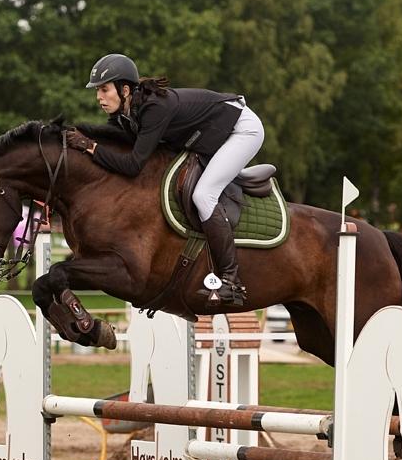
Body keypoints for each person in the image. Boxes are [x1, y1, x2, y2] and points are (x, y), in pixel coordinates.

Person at [67, 53, 265, 306]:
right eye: (98, 91)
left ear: (124, 89)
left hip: (242, 130)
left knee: (203, 195)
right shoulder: (129, 112)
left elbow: (132, 165)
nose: (99, 97)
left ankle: (231, 281)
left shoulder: (153, 108)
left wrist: (91, 147)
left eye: (104, 89)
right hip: (213, 134)